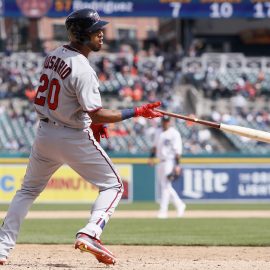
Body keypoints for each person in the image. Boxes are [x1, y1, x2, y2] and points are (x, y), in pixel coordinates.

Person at [0, 8, 162, 266]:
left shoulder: (54, 55)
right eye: (96, 30)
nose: (101, 34)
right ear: (81, 33)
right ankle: (91, 232)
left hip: (45, 134)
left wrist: (90, 120)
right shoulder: (83, 69)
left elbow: (73, 103)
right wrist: (137, 111)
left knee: (27, 191)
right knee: (115, 185)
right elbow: (96, 114)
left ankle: (1, 249)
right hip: (72, 136)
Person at [150, 115, 186, 219]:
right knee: (165, 185)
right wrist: (151, 158)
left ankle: (163, 211)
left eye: (167, 121)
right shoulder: (158, 131)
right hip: (160, 161)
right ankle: (179, 204)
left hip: (170, 161)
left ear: (169, 122)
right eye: (164, 121)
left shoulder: (174, 133)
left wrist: (178, 165)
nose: (165, 123)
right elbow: (154, 146)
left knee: (165, 186)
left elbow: (177, 151)